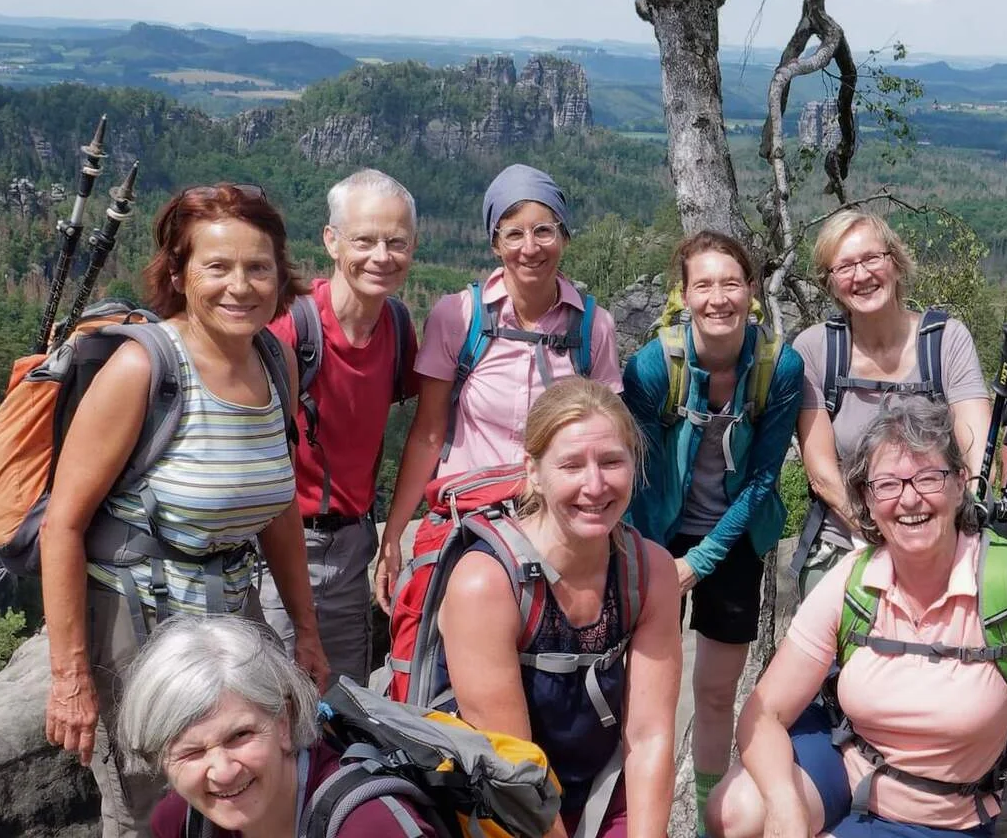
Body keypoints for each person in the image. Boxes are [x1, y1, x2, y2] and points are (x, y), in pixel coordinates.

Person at [708, 398, 1007, 838]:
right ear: (868, 500)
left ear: (960, 483)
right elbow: (764, 713)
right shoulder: (852, 580)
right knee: (737, 812)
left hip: (938, 815)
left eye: (928, 478)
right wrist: (785, 807)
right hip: (844, 761)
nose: (909, 499)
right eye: (887, 484)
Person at [40, 183, 329, 838]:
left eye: (258, 267)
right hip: (137, 621)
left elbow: (279, 507)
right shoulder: (143, 370)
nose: (241, 286)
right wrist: (70, 676)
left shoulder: (275, 360)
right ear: (178, 274)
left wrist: (304, 630)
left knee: (250, 788)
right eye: (217, 266)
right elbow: (64, 524)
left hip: (234, 611)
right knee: (154, 804)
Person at [436, 377, 680, 838]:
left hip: (601, 788)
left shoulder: (651, 572)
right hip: (498, 800)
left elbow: (649, 737)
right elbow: (512, 767)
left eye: (612, 461)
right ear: (533, 472)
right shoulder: (486, 583)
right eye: (571, 465)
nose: (595, 485)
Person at [620, 232, 805, 828]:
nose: (718, 297)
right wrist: (655, 562)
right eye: (703, 284)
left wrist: (701, 561)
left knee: (717, 692)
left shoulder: (778, 368)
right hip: (656, 535)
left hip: (734, 539)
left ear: (751, 291)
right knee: (645, 695)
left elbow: (763, 478)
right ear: (684, 294)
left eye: (730, 283)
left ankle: (707, 822)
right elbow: (637, 475)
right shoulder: (653, 368)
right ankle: (633, 820)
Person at [376, 164, 623, 608]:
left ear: (564, 236)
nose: (530, 248)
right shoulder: (459, 317)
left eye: (543, 231)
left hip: (557, 527)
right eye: (514, 235)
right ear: (495, 243)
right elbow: (429, 433)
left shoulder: (593, 327)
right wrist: (393, 534)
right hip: (469, 526)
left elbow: (610, 440)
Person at [261, 169, 419, 682]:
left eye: (396, 242)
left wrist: (393, 534)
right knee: (277, 697)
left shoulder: (397, 326)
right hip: (279, 545)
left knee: (344, 699)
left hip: (353, 545)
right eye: (364, 240)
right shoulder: (291, 327)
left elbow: (425, 428)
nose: (381, 256)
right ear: (331, 241)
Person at [791, 211, 991, 595]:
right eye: (844, 266)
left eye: (872, 258)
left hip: (942, 536)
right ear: (830, 282)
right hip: (847, 537)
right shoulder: (815, 350)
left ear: (895, 263)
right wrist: (885, 533)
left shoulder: (946, 340)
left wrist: (931, 536)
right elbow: (822, 475)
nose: (861, 275)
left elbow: (977, 456)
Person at [119, 615, 445, 838]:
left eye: (240, 735)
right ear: (160, 759)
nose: (223, 772)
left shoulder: (373, 826)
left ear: (284, 722)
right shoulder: (181, 820)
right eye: (192, 752)